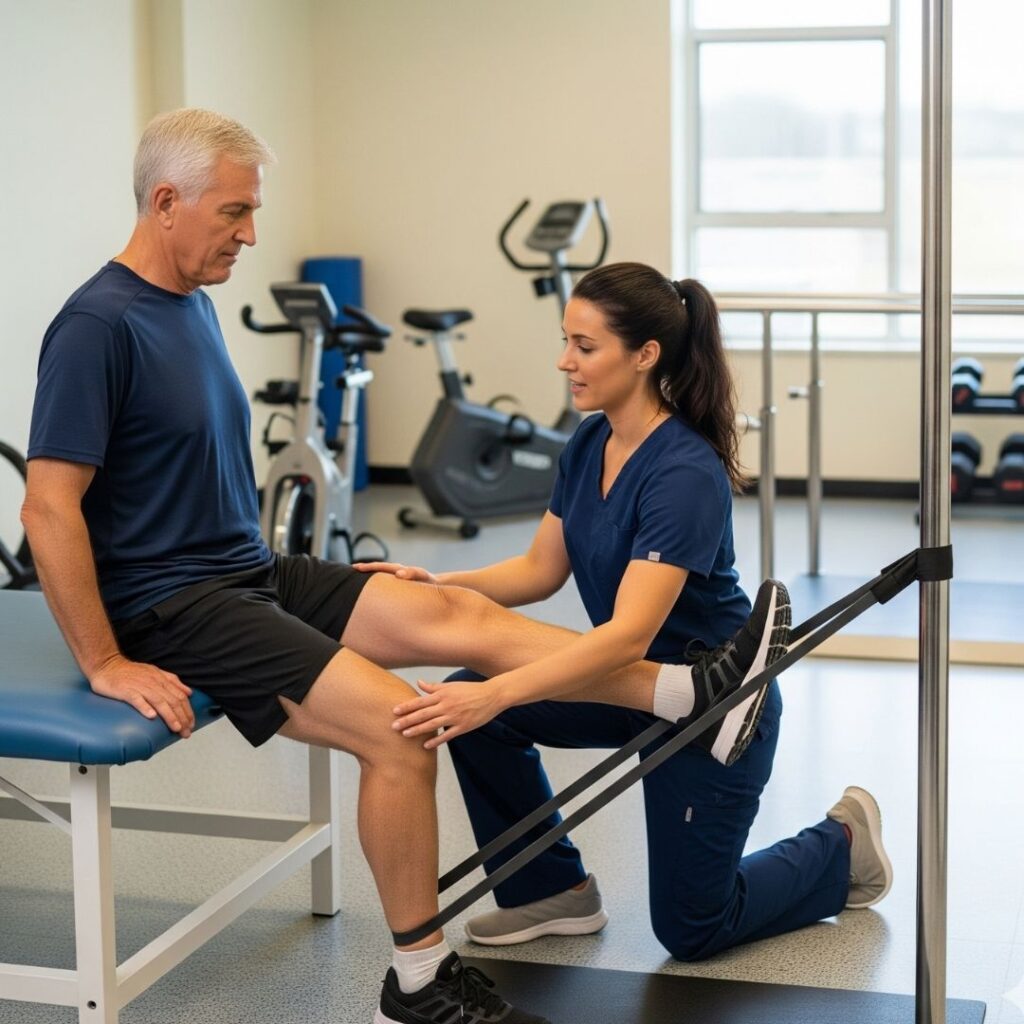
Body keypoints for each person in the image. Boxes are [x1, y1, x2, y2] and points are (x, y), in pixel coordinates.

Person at [21, 110, 787, 1024]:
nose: (250, 233)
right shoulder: (96, 325)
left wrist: (440, 593)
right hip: (175, 605)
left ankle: (680, 694)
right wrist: (106, 661)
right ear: (166, 202)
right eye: (234, 213)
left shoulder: (190, 303)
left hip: (250, 571)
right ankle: (417, 984)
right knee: (401, 725)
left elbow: (525, 583)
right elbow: (47, 505)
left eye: (251, 212)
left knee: (455, 617)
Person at [369, 263, 893, 963]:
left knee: (692, 928)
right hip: (632, 686)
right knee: (469, 701)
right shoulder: (589, 442)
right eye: (566, 341)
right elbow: (537, 569)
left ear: (645, 355)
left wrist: (499, 691)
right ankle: (550, 892)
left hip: (715, 704)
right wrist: (434, 580)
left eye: (585, 347)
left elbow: (625, 636)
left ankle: (843, 845)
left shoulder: (683, 472)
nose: (565, 362)